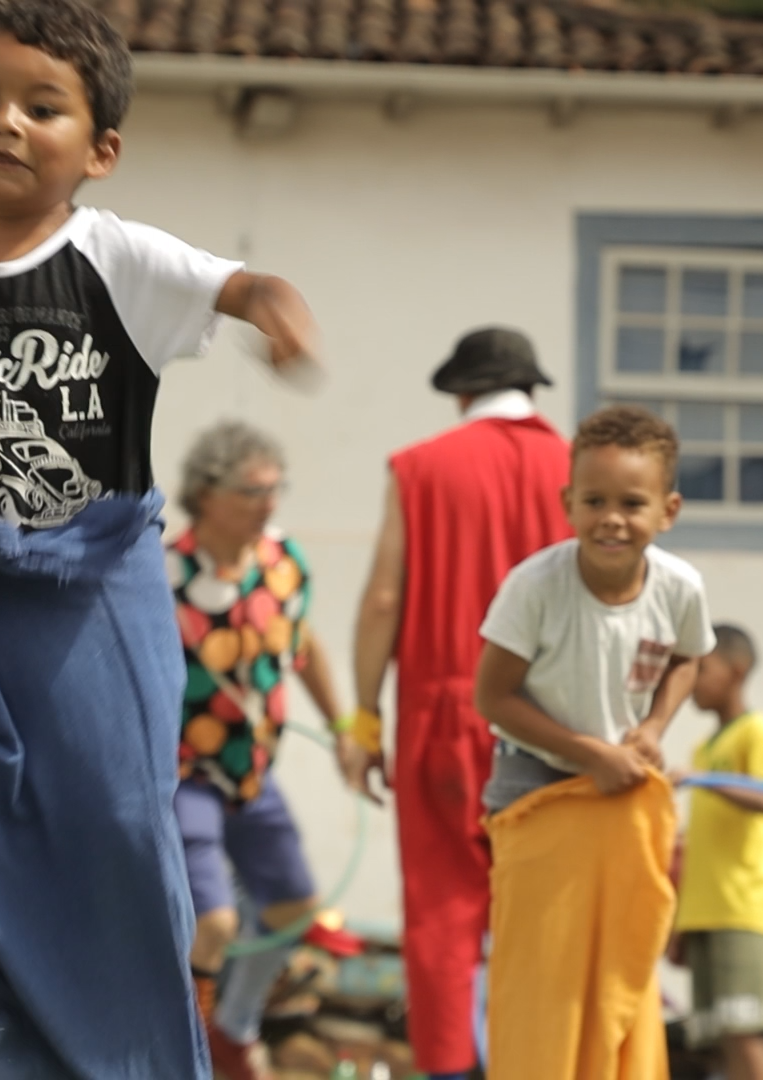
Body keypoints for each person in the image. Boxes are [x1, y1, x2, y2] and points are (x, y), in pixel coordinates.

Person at [0, 1, 321, 1075]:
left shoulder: (119, 260)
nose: (5, 121)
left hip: (102, 597)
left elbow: (243, 287)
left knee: (113, 837)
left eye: (40, 107)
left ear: (99, 151)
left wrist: (280, 311)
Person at [348, 326, 571, 1079]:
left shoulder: (421, 468)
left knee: (444, 912)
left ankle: (450, 1070)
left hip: (442, 712)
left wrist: (363, 716)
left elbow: (384, 597)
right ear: (532, 391)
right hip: (553, 721)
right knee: (542, 911)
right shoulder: (577, 467)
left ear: (463, 392)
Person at [475, 404, 715, 1079]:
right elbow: (492, 696)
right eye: (595, 501)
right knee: (545, 980)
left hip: (620, 798)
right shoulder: (535, 588)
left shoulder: (680, 588)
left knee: (622, 967)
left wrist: (652, 728)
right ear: (567, 504)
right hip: (539, 791)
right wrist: (591, 753)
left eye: (632, 503)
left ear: (667, 510)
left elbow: (688, 659)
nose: (612, 517)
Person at [167, 422, 364, 1080]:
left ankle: (232, 1031)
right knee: (215, 922)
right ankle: (182, 1047)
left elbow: (301, 647)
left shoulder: (282, 563)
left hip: (253, 771)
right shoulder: (166, 573)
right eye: (253, 491)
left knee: (292, 913)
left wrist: (342, 728)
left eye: (276, 489)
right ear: (207, 493)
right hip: (183, 772)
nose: (269, 503)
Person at [670, 625, 763, 1080]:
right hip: (705, 913)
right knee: (718, 1040)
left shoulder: (755, 732)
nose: (694, 680)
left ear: (736, 671)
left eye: (703, 669)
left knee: (745, 1033)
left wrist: (704, 781)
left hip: (742, 910)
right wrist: (682, 920)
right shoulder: (704, 748)